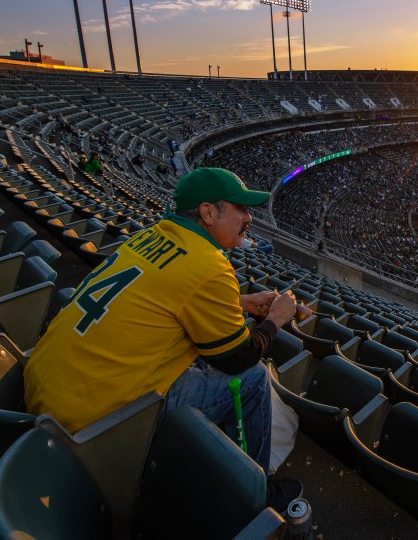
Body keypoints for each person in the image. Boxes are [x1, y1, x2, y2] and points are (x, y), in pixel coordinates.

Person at [24, 167, 303, 511]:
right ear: (208, 212)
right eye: (241, 208)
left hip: (47, 390)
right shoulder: (209, 264)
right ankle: (251, 494)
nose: (249, 217)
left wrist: (239, 303)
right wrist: (276, 319)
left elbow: (165, 300)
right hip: (94, 422)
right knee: (255, 378)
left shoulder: (150, 235)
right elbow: (238, 358)